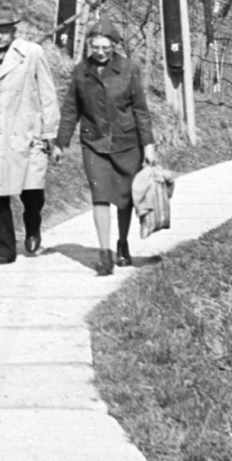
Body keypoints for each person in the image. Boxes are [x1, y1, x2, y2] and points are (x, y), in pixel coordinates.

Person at [56, 22, 157, 276]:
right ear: (89, 45)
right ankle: (104, 255)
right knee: (100, 196)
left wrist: (149, 145)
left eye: (105, 47)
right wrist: (61, 142)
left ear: (114, 45)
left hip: (127, 143)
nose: (100, 52)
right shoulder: (81, 71)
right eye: (95, 47)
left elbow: (140, 110)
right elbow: (71, 109)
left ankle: (122, 243)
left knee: (124, 199)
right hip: (93, 144)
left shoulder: (129, 69)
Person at [0, 4, 60, 265]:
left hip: (28, 134)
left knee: (32, 192)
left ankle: (32, 227)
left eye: (4, 31)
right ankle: (5, 249)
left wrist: (50, 131)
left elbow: (48, 94)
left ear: (14, 31)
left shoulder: (32, 54)